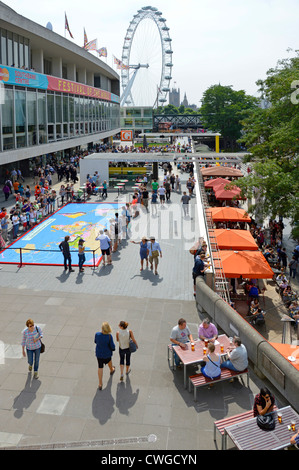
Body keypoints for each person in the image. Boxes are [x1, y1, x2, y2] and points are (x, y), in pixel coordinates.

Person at [94, 322, 116, 390]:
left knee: (100, 367)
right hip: (107, 353)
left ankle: (100, 383)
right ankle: (111, 370)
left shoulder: (97, 334)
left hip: (99, 354)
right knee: (109, 361)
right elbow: (112, 346)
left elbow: (95, 341)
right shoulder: (109, 336)